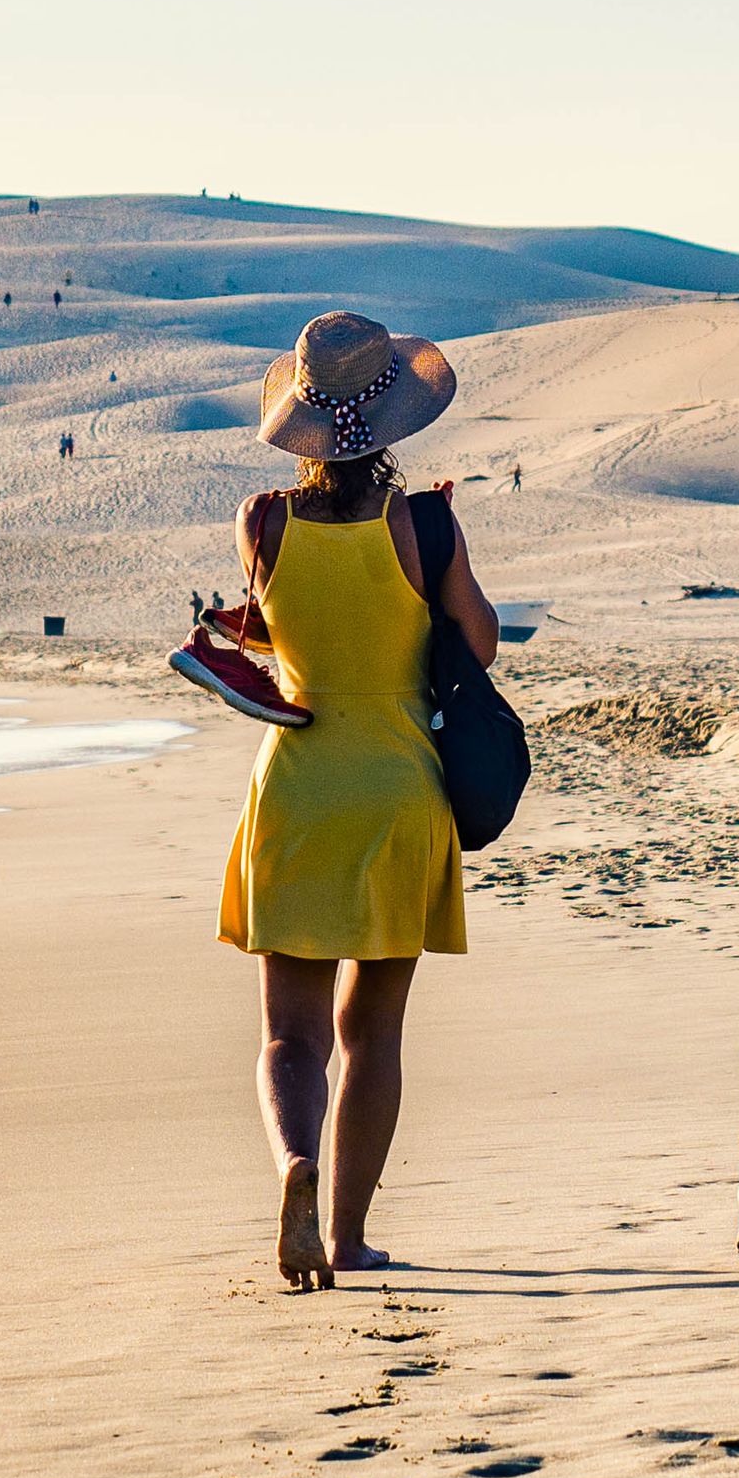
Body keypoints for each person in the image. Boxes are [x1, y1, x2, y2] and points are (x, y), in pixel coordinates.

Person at [214, 310, 498, 1292]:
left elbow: (276, 642)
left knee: (287, 1039)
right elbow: (480, 642)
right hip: (395, 790)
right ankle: (346, 1236)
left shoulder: (262, 521)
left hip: (295, 790)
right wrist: (436, 561)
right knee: (371, 1033)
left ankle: (293, 1159)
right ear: (394, 421)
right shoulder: (425, 525)